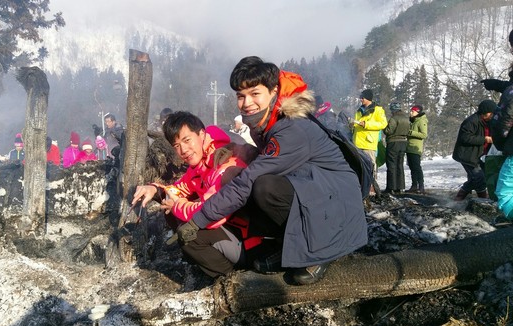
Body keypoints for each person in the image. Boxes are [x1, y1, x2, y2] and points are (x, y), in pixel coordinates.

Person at [176, 56, 367, 285]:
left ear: (273, 91)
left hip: (338, 205)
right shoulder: (266, 123)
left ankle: (323, 250)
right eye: (240, 96)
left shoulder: (291, 128)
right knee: (259, 186)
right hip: (313, 188)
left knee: (264, 187)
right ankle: (288, 247)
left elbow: (248, 181)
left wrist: (198, 220)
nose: (247, 103)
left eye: (255, 94)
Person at [131, 111, 262, 278]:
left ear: (201, 134)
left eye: (187, 140)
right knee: (181, 218)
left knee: (190, 236)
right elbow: (179, 188)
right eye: (176, 145)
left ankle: (233, 277)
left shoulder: (226, 163)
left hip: (252, 242)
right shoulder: (200, 166)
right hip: (235, 231)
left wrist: (177, 206)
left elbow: (211, 214)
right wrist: (155, 189)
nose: (183, 150)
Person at [452, 100, 497, 201]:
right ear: (486, 112)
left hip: (477, 155)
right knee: (479, 178)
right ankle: (483, 200)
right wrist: (485, 139)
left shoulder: (488, 122)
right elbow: (465, 137)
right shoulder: (471, 121)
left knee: (477, 178)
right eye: (492, 113)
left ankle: (459, 198)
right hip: (467, 155)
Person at [352, 89, 388, 181]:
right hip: (357, 143)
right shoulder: (359, 110)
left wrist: (366, 124)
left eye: (362, 97)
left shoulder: (377, 110)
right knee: (359, 167)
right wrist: (352, 125)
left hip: (368, 144)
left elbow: (383, 124)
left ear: (368, 98)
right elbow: (357, 124)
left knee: (370, 166)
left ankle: (372, 187)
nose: (361, 99)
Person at [383, 102, 410, 194]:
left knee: (391, 165)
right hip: (403, 142)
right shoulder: (406, 119)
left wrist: (384, 127)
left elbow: (388, 131)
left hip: (393, 143)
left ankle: (391, 187)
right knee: (400, 165)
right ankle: (401, 187)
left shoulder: (393, 119)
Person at [405, 105, 428, 194]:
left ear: (417, 112)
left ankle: (421, 186)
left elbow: (424, 134)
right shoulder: (413, 121)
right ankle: (414, 185)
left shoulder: (421, 121)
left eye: (413, 111)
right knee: (412, 167)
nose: (410, 113)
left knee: (417, 167)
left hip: (416, 148)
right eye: (411, 111)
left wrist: (410, 132)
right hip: (409, 147)